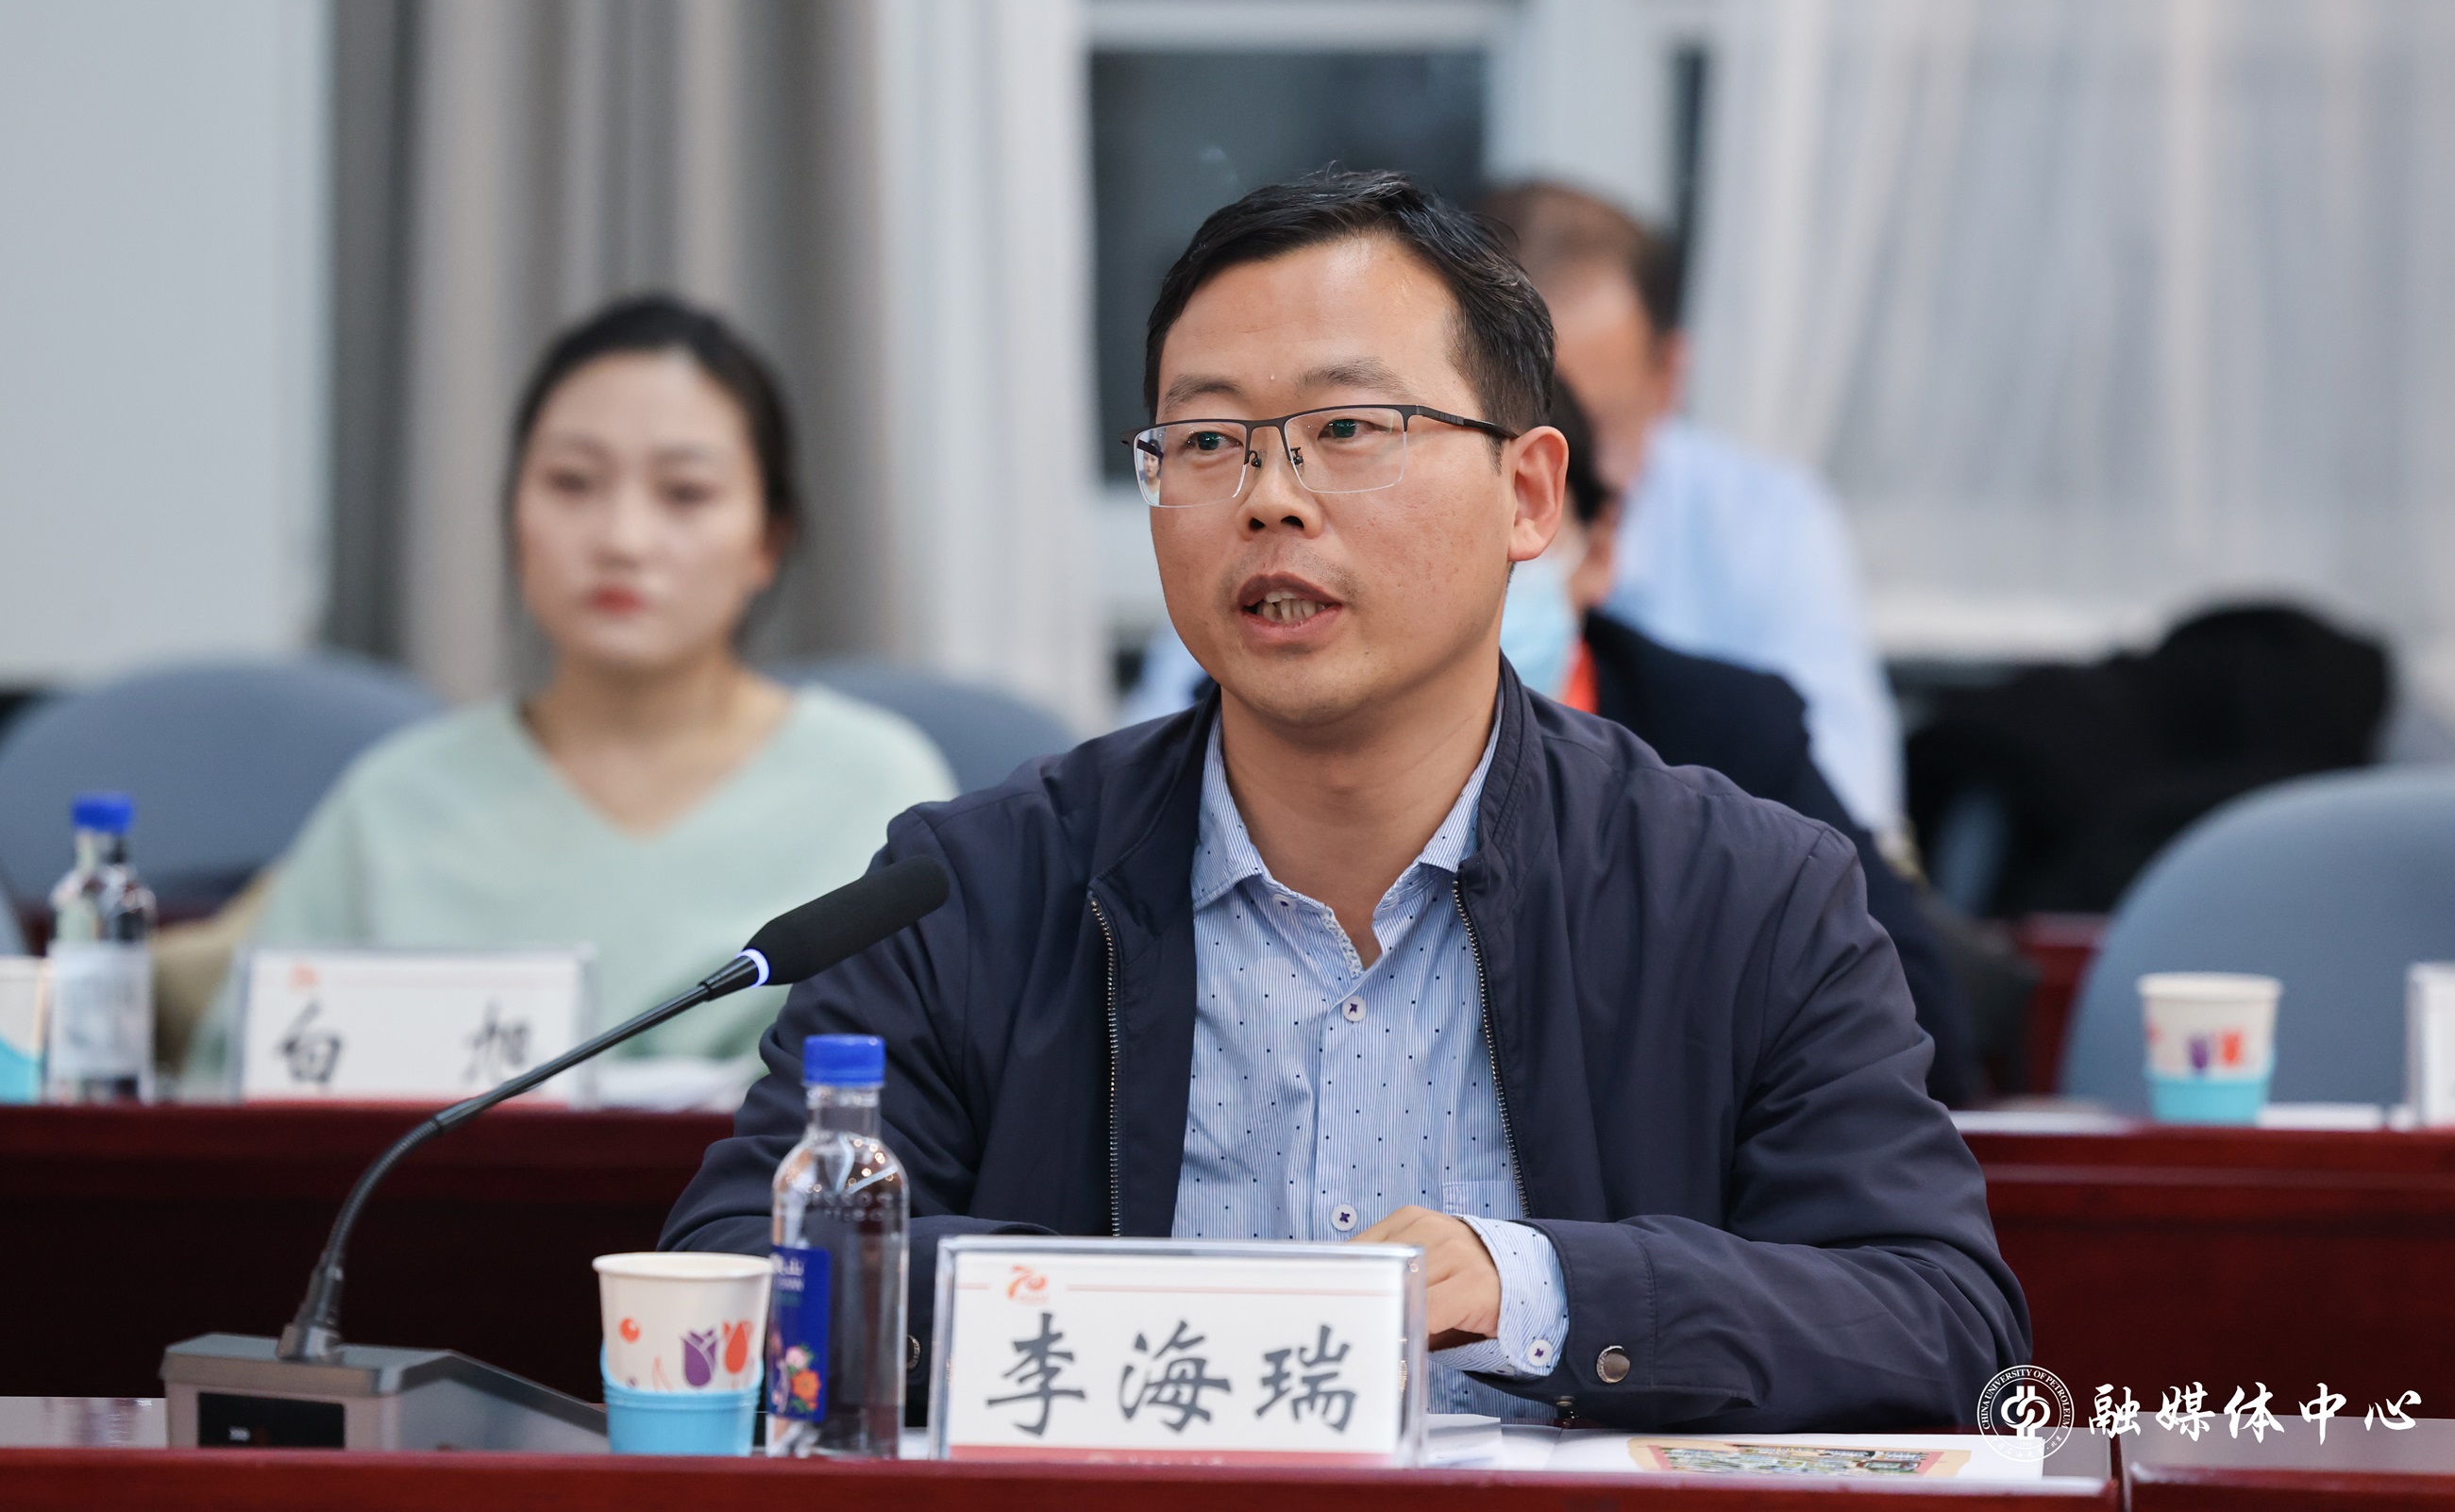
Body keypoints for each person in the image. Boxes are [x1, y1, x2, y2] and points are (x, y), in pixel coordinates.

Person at [664, 173, 2028, 1430]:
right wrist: (1137, 1318)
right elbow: (740, 1265)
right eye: (1207, 440)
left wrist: (1533, 1288)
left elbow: (1942, 1327)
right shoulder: (970, 889)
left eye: (1348, 430)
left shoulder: (1742, 891)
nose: (1270, 497)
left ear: (1528, 493)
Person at [184, 295, 954, 1084]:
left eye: (685, 493)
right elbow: (233, 1089)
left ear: (768, 539)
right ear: (512, 512)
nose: (621, 539)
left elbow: (942, 1086)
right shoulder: (392, 803)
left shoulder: (878, 791)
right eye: (572, 481)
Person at [1506, 380, 1980, 1104]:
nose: (1495, 571)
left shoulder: (1727, 730)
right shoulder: (1337, 747)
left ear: (1599, 551)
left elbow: (1909, 1016)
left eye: (1526, 532)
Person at [1474, 180, 1908, 836]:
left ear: (1668, 376)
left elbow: (1840, 820)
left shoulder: (1767, 525)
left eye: (1591, 429)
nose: (1549, 479)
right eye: (1510, 432)